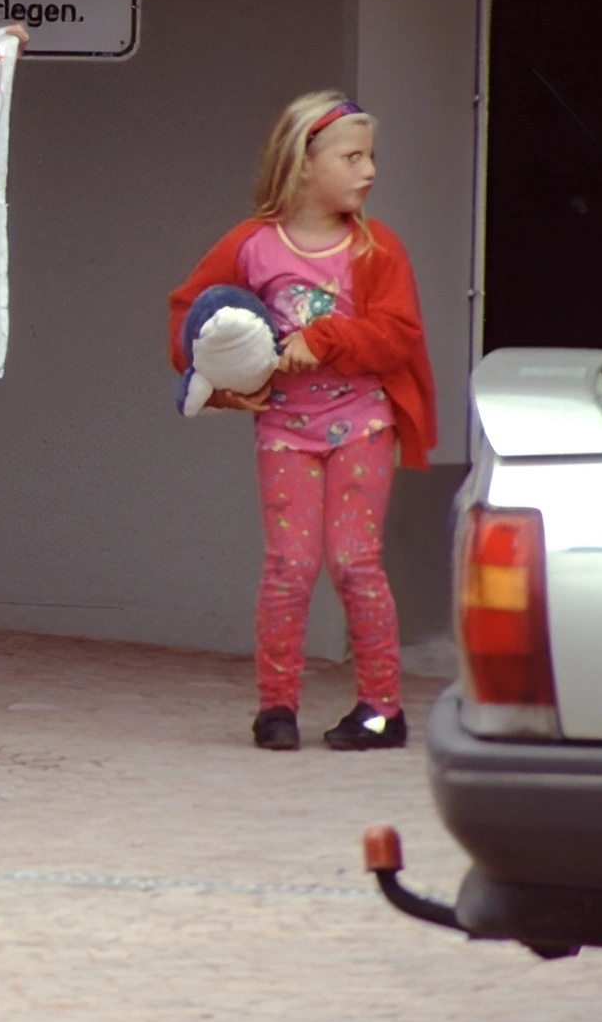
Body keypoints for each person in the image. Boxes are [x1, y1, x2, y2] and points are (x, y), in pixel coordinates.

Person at [168, 92, 437, 753]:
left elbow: (399, 336)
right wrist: (222, 385)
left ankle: (382, 709)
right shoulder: (252, 246)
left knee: (354, 563)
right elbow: (190, 319)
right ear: (303, 163)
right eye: (352, 157)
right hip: (284, 428)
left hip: (363, 425)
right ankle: (275, 708)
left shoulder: (377, 249)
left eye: (371, 156)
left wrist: (328, 339)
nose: (369, 170)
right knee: (289, 566)